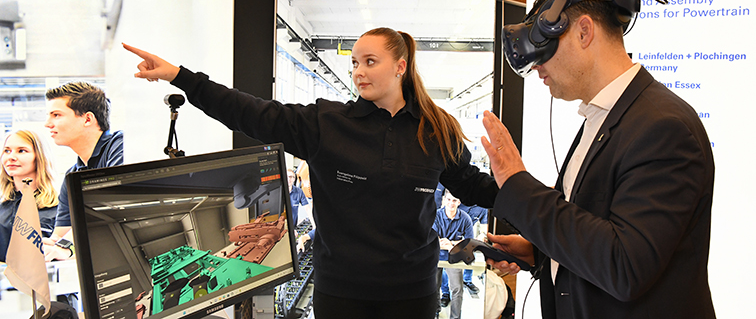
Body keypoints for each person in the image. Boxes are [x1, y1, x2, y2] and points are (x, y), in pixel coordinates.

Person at [123, 26, 499, 319]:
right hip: (341, 292)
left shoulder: (435, 131)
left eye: (370, 61)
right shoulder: (326, 123)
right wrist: (182, 78)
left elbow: (473, 186)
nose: (358, 72)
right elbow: (250, 112)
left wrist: (529, 194)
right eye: (354, 62)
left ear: (401, 67)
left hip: (412, 292)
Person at [481, 0, 716, 318]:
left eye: (543, 45)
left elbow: (625, 267)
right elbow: (599, 230)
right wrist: (541, 252)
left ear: (584, 31)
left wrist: (518, 184)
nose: (536, 67)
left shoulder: (663, 127)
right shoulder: (603, 118)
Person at [42, 82, 124, 261]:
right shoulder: (72, 177)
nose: (47, 123)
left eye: (56, 115)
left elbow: (109, 208)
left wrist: (65, 247)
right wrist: (50, 246)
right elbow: (62, 236)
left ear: (87, 119)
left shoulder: (119, 145)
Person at [1, 130, 59, 262]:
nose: (11, 157)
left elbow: (74, 246)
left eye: (21, 151)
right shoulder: (2, 206)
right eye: (7, 151)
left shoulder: (61, 207)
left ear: (40, 156)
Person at [432, 190, 473, 319]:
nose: (451, 203)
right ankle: (435, 313)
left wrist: (450, 243)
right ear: (444, 200)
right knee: (434, 288)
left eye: (454, 200)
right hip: (436, 257)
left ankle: (455, 317)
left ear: (459, 202)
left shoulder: (465, 218)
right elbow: (433, 240)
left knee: (457, 290)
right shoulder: (436, 216)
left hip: (455, 258)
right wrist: (455, 244)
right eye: (448, 200)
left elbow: (469, 242)